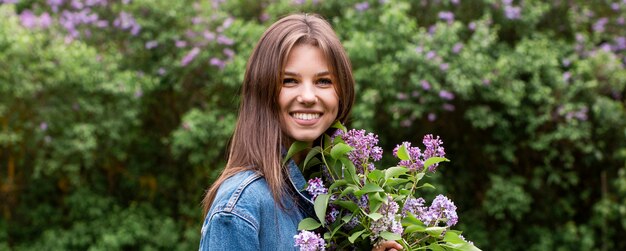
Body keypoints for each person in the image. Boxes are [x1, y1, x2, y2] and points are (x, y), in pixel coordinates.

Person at [199, 13, 402, 251]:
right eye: (289, 81)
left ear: (341, 92)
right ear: (262, 91)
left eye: (323, 81)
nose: (307, 97)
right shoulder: (242, 206)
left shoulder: (340, 196)